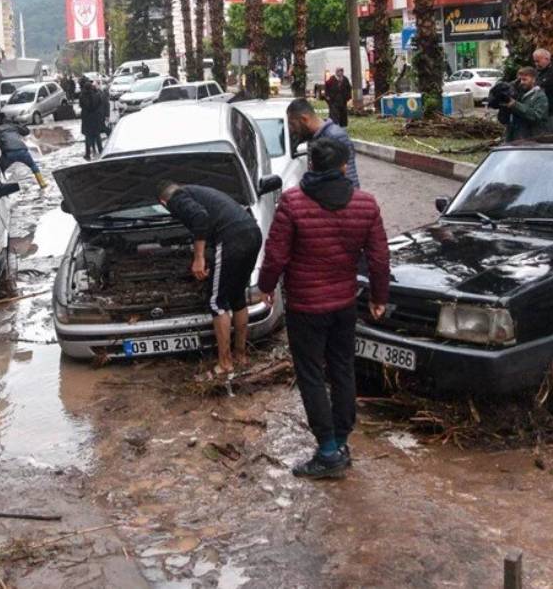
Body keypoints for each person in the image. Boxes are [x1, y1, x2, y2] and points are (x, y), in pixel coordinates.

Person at [257, 136, 390, 479]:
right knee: (343, 369)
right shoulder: (365, 204)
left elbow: (275, 254)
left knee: (312, 375)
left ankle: (328, 452)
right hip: (344, 304)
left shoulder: (293, 202)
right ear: (345, 166)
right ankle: (341, 442)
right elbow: (379, 258)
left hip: (305, 306)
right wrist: (379, 297)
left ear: (312, 165)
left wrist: (266, 287)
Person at [157, 181, 263, 377]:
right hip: (252, 232)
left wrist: (198, 259)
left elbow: (200, 218)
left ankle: (225, 364)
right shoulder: (198, 192)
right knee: (237, 297)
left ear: (163, 203)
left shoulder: (177, 199)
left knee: (216, 302)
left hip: (231, 238)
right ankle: (240, 356)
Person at [286, 97, 359, 188]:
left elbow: (350, 176)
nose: (292, 129)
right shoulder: (312, 136)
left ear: (304, 119)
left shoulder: (335, 136)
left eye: (293, 124)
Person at [0, 112, 47, 188]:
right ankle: (42, 183)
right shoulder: (13, 126)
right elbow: (26, 131)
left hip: (8, 154)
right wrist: (20, 124)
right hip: (22, 151)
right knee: (33, 165)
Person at [501, 67, 550, 141]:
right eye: (520, 80)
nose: (521, 82)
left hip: (531, 139)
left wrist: (515, 105)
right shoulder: (517, 94)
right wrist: (503, 107)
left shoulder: (540, 96)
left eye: (524, 79)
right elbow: (504, 120)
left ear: (534, 80)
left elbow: (536, 116)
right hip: (513, 138)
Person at [533, 48, 553, 131]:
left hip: (550, 110)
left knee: (551, 134)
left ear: (546, 59)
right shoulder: (537, 72)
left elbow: (544, 85)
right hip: (537, 110)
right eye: (535, 61)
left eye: (538, 61)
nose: (536, 64)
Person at [78, 77, 104, 159]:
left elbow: (81, 106)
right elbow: (100, 105)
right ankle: (101, 151)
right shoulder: (97, 95)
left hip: (87, 119)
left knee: (88, 137)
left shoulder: (82, 96)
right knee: (97, 135)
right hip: (95, 118)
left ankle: (88, 154)